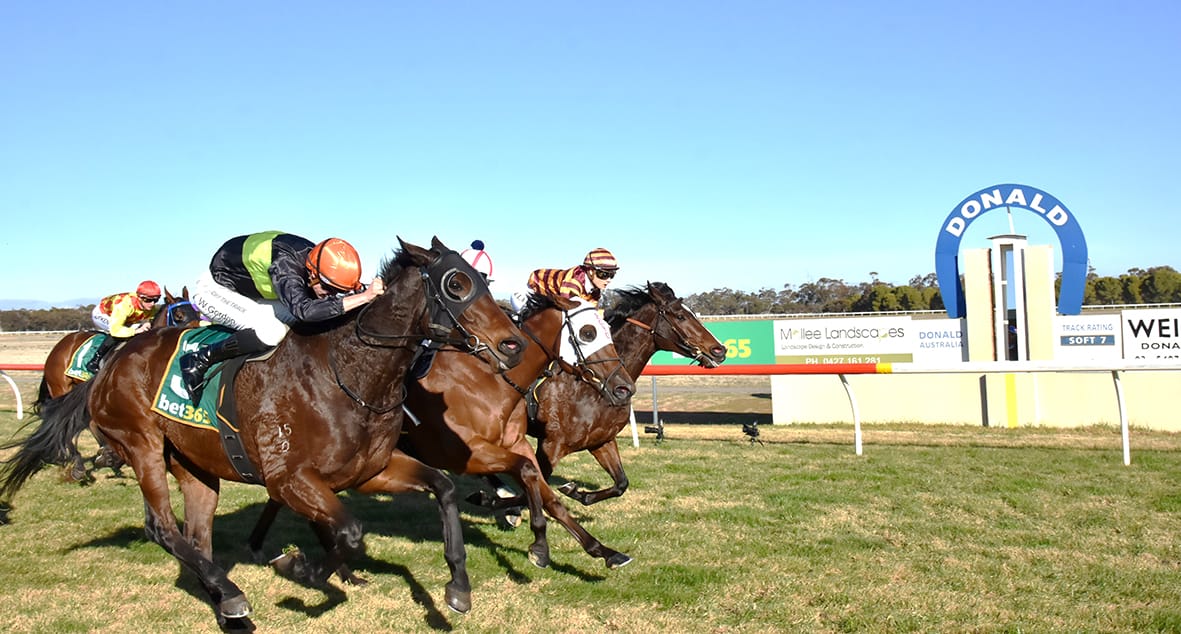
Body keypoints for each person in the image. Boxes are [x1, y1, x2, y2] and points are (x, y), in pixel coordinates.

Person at [180, 231, 385, 399]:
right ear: (313, 273)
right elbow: (304, 311)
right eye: (328, 288)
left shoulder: (318, 261)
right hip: (215, 290)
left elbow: (336, 301)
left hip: (250, 290)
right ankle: (200, 359)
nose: (330, 294)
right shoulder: (286, 265)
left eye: (336, 290)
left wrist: (363, 293)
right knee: (272, 331)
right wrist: (363, 298)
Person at [510, 247, 619, 312]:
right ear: (590, 271)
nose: (609, 280)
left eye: (612, 275)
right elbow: (570, 310)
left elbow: (591, 311)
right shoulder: (573, 281)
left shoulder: (595, 290)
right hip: (530, 292)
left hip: (551, 298)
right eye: (604, 274)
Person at [85, 280, 162, 372]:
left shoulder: (149, 306)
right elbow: (115, 330)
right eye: (148, 300)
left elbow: (152, 318)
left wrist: (149, 322)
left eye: (155, 300)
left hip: (124, 318)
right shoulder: (124, 305)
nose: (152, 304)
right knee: (117, 334)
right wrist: (136, 331)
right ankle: (94, 361)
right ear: (139, 297)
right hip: (103, 314)